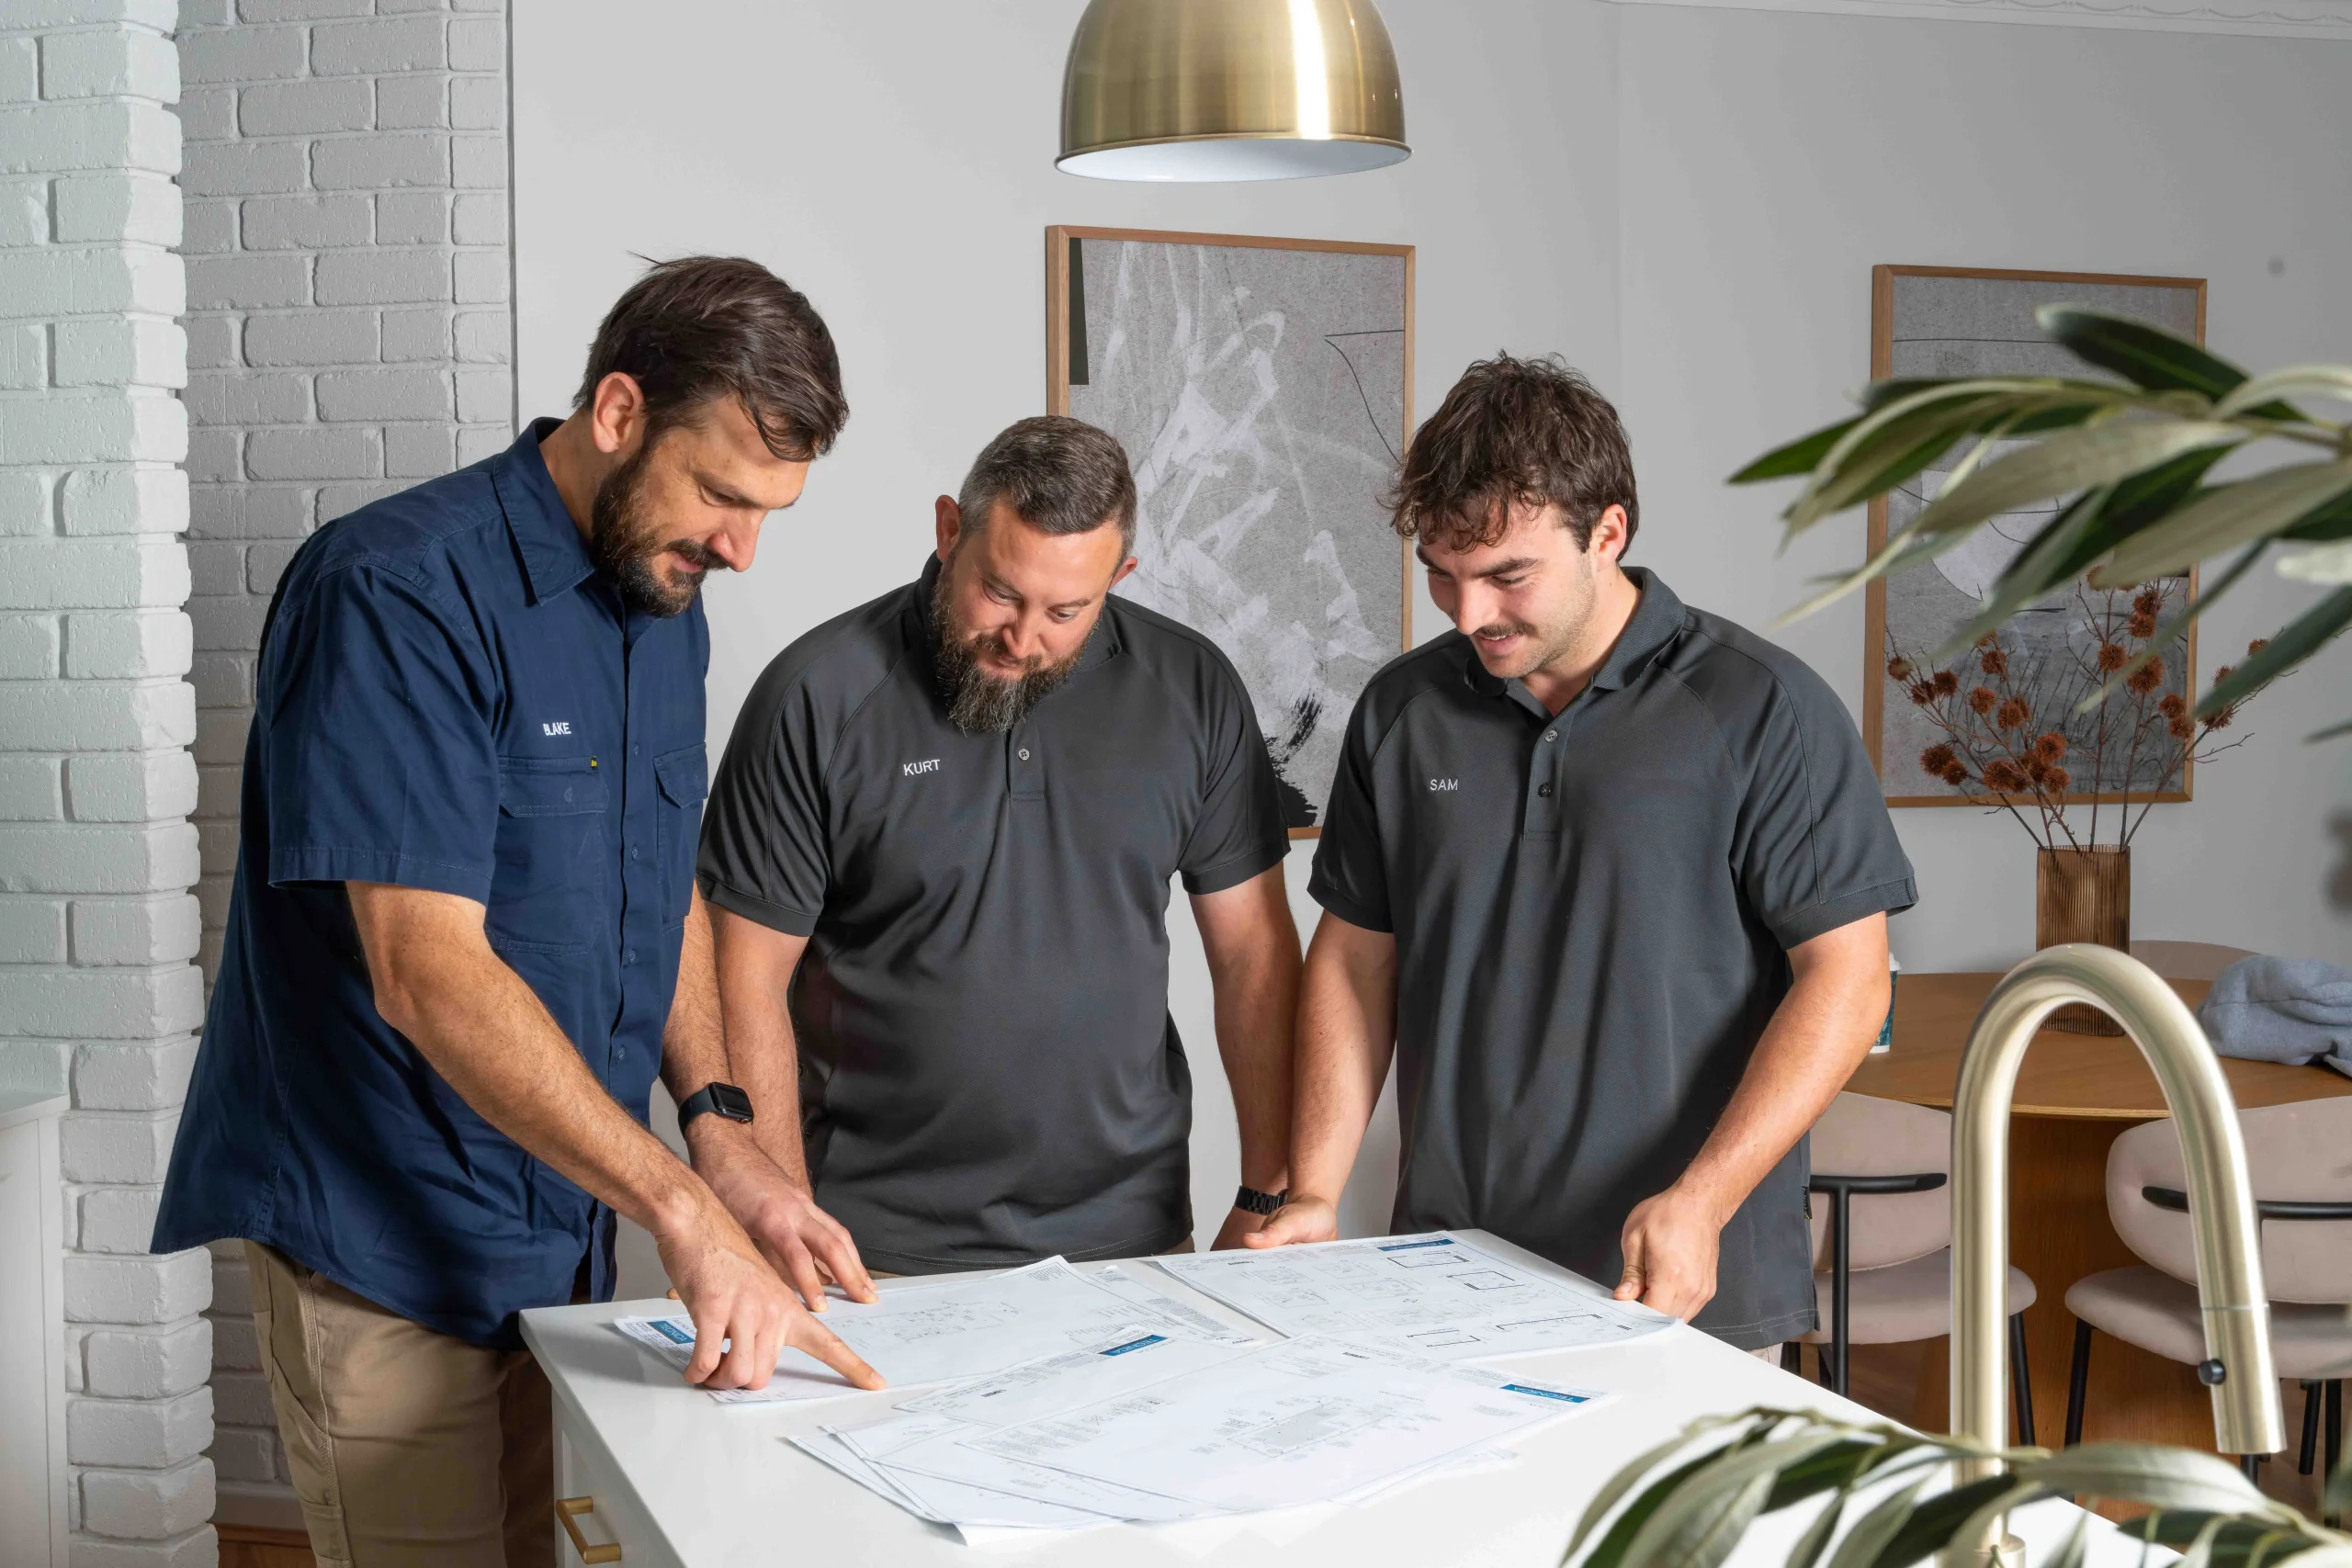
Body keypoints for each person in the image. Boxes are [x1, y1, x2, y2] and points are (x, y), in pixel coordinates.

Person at [153, 257, 884, 1568]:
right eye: (722, 493)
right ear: (617, 412)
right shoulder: (392, 590)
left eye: (769, 511)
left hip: (567, 1234)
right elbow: (425, 970)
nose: (740, 546)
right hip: (384, 1246)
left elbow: (658, 889)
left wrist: (723, 1132)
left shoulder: (663, 602)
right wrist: (683, 1207)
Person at [1248, 355, 1914, 1355]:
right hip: (1444, 1267)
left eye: (1506, 576)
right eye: (1441, 573)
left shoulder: (1760, 708)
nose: (1468, 614)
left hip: (1676, 1281)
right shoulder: (1403, 710)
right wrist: (1313, 1189)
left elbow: (1848, 981)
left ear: (1608, 532)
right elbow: (1353, 959)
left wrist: (1703, 1197)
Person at [697, 415, 1301, 1279]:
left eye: (1067, 610)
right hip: (877, 1252)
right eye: (1000, 592)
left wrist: (1267, 1189)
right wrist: (784, 1218)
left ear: (1119, 576)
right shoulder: (819, 695)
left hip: (1136, 1244)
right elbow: (744, 978)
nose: (1024, 638)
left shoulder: (1192, 689)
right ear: (950, 531)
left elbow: (1253, 955)